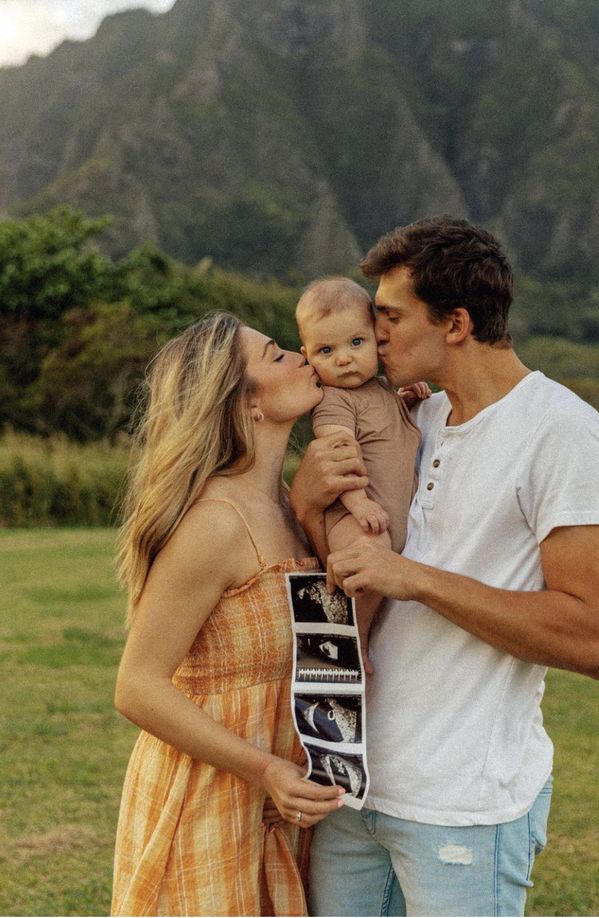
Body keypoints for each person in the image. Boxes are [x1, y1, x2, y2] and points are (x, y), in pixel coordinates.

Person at [289, 216, 599, 917]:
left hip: (461, 810)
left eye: (388, 317)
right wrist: (306, 502)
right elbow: (344, 572)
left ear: (455, 324)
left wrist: (412, 578)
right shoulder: (415, 416)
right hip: (349, 791)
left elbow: (597, 640)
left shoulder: (566, 437)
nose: (372, 333)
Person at [111, 312, 352, 916]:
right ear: (246, 404)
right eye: (276, 356)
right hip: (208, 799)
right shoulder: (214, 523)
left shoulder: (288, 506)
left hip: (276, 805)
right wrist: (265, 768)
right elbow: (136, 687)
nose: (301, 355)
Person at [295, 276, 428, 667]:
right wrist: (358, 505)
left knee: (378, 567)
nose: (344, 358)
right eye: (326, 350)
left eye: (356, 343)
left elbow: (385, 432)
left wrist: (404, 400)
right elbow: (341, 457)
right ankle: (358, 640)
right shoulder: (333, 402)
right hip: (353, 516)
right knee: (368, 563)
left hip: (387, 517)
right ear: (308, 357)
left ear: (375, 338)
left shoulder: (383, 390)